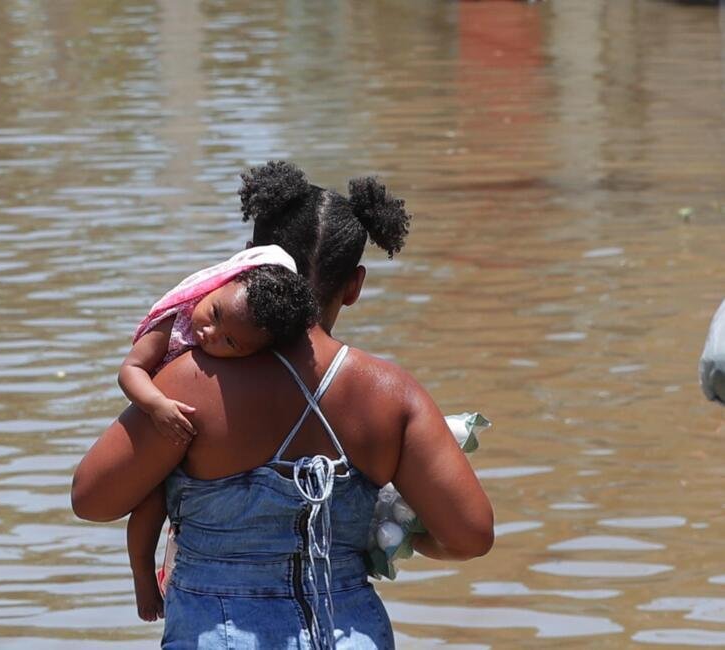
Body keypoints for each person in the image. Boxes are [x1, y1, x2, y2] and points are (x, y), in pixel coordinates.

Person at [73, 160, 494, 649]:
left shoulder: (193, 379)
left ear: (250, 262)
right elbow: (470, 536)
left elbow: (91, 498)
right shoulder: (390, 392)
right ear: (354, 286)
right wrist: (395, 533)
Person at [120, 246, 319, 620]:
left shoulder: (250, 341)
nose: (208, 333)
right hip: (157, 419)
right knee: (149, 508)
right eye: (214, 313)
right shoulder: (175, 322)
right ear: (214, 288)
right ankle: (142, 577)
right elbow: (130, 370)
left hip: (194, 452)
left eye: (230, 342)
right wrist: (156, 405)